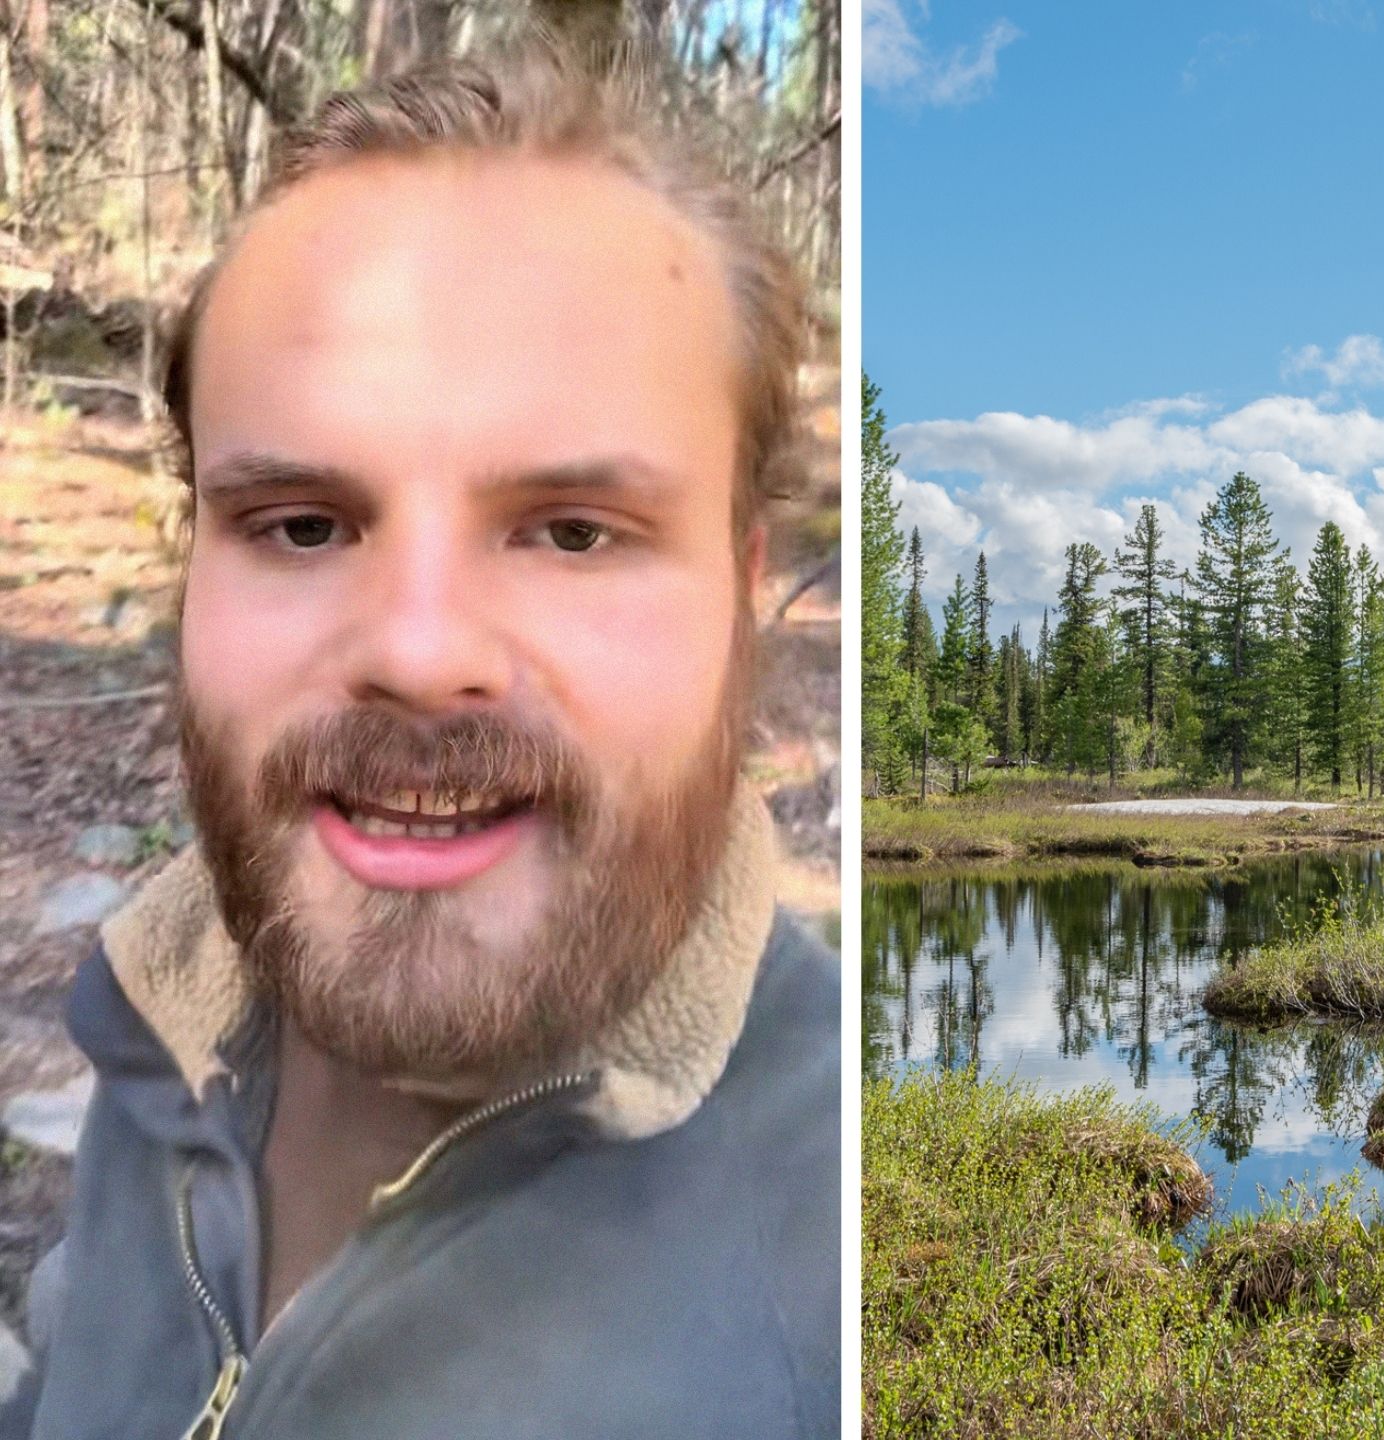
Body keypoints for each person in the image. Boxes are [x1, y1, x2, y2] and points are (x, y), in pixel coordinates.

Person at [0, 45, 838, 1438]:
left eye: (573, 534)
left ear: (742, 594)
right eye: (301, 526)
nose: (418, 648)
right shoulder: (171, 994)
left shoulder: (837, 1271)